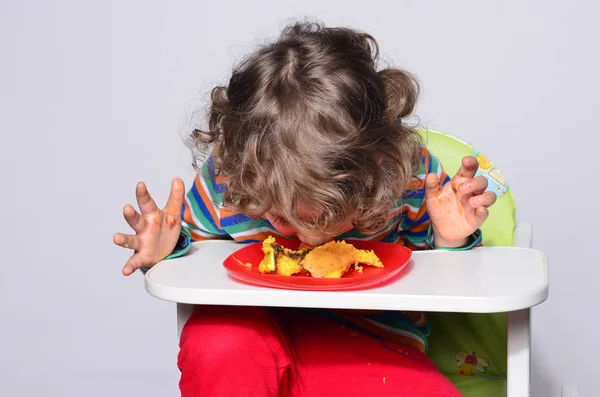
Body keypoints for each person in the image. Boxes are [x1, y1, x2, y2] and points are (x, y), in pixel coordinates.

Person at [113, 21, 496, 397]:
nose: (286, 227)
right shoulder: (228, 181)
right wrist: (168, 249)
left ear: (371, 178)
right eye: (273, 212)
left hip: (370, 343)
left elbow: (444, 277)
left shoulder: (409, 180)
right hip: (252, 331)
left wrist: (450, 238)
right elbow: (196, 254)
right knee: (217, 342)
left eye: (313, 218)